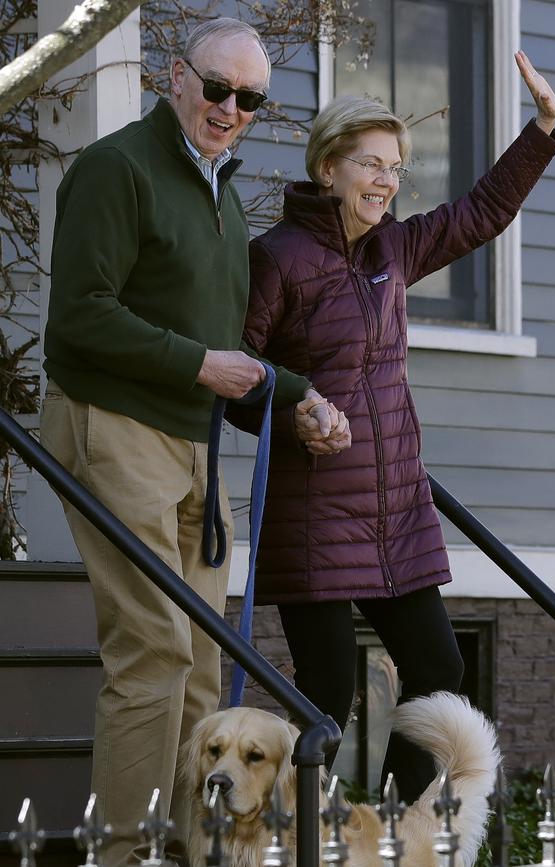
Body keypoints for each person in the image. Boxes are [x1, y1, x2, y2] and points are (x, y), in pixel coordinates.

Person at [39, 18, 342, 867]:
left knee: (206, 658)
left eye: (250, 98)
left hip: (191, 438)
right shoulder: (117, 169)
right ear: (175, 77)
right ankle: (125, 853)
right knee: (156, 647)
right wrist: (200, 364)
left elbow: (228, 352)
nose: (231, 108)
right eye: (218, 88)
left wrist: (297, 396)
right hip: (115, 421)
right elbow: (81, 314)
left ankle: (195, 846)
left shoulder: (223, 195)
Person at [237, 50, 555, 804]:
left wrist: (541, 129)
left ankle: (388, 830)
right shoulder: (276, 260)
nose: (386, 179)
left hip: (397, 513)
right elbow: (238, 378)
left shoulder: (395, 248)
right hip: (314, 511)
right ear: (327, 168)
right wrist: (294, 415)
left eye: (395, 166)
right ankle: (293, 838)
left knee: (439, 671)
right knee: (326, 693)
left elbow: (480, 212)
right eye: (370, 163)